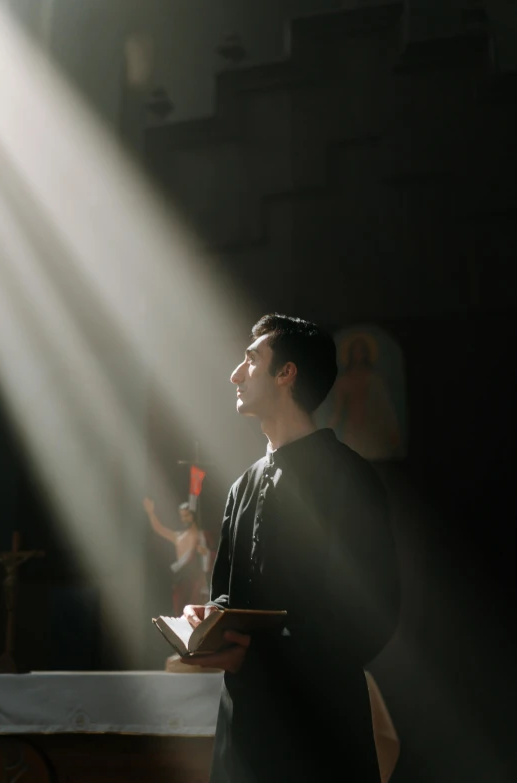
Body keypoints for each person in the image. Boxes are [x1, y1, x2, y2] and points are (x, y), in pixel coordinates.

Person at [180, 314, 400, 783]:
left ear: (287, 373)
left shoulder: (349, 478)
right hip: (247, 725)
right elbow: (229, 596)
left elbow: (373, 614)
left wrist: (259, 655)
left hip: (320, 726)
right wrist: (209, 622)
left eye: (251, 359)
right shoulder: (241, 487)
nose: (235, 374)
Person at [143, 499, 208, 615]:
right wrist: (150, 512)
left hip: (195, 579)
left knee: (195, 612)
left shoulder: (199, 535)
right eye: (182, 516)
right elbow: (159, 529)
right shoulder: (178, 537)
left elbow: (206, 556)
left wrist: (202, 551)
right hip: (180, 579)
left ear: (192, 514)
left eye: (187, 515)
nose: (184, 519)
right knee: (179, 612)